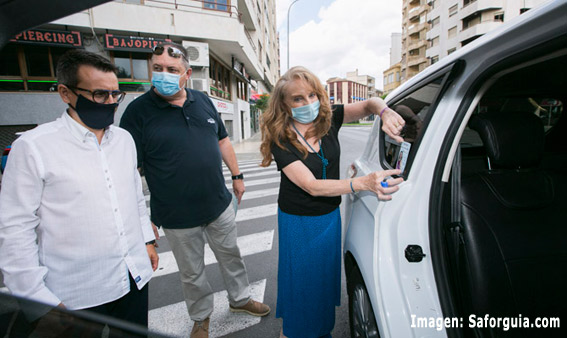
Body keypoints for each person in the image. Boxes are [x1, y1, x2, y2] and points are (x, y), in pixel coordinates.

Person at [0, 49, 158, 336]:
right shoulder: (34, 147)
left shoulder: (123, 140)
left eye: (115, 94)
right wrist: (38, 301)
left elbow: (134, 195)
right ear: (65, 93)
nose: (110, 102)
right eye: (100, 95)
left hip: (133, 278)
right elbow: (14, 229)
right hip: (75, 297)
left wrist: (147, 240)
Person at [120, 42, 270, 338]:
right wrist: (141, 219)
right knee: (192, 273)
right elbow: (128, 172)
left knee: (232, 257)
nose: (163, 74)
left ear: (186, 73)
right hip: (176, 216)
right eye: (158, 68)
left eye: (172, 70)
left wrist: (237, 176)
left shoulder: (202, 100)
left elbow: (223, 140)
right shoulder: (137, 112)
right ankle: (201, 318)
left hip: (218, 204)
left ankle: (240, 300)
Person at [259, 66, 405, 338]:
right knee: (303, 285)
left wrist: (384, 112)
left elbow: (370, 104)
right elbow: (311, 186)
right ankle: (294, 332)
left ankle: (318, 329)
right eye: (298, 99)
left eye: (313, 95)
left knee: (323, 282)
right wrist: (363, 183)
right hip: (299, 222)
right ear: (284, 104)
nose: (308, 103)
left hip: (328, 217)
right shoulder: (282, 138)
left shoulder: (330, 118)